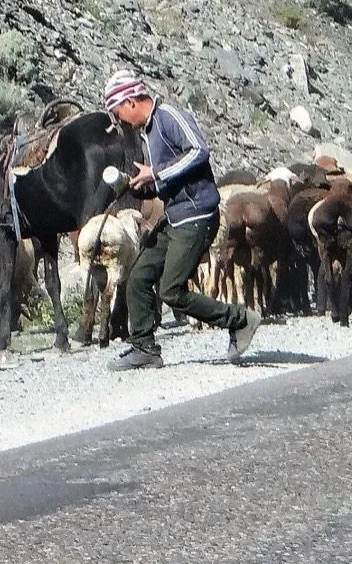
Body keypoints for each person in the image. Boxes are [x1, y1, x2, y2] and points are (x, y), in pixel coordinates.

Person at [101, 70, 262, 371]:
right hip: (175, 215)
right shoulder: (148, 132)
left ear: (131, 101)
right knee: (138, 275)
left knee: (171, 291)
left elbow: (199, 151)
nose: (120, 121)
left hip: (197, 215)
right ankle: (144, 348)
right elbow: (168, 176)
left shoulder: (169, 117)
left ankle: (241, 320)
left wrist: (156, 172)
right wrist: (143, 182)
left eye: (117, 112)